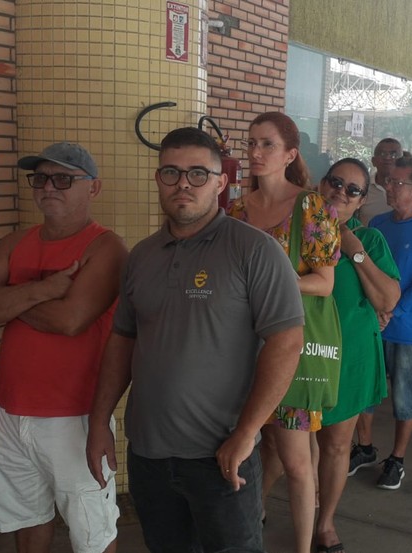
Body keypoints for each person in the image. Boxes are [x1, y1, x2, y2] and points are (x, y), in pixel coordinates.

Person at [86, 127, 305, 553]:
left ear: (221, 182)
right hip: (149, 455)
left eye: (197, 174)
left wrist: (246, 433)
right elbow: (122, 342)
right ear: (158, 179)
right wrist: (99, 422)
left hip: (222, 456)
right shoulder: (141, 257)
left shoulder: (255, 251)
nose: (183, 183)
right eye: (171, 172)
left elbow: (286, 343)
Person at [0, 142, 128, 553]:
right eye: (40, 178)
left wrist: (10, 300)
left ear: (93, 188)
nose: (48, 187)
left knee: (93, 532)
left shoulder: (105, 247)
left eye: (63, 179)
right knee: (26, 519)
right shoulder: (15, 242)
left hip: (74, 416)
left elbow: (70, 321)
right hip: (11, 412)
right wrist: (43, 291)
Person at [227, 111, 340, 553]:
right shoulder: (237, 208)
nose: (256, 152)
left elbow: (325, 283)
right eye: (252, 142)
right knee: (249, 445)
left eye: (267, 144)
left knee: (296, 462)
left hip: (290, 348)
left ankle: (302, 547)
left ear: (290, 154)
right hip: (240, 346)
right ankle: (246, 522)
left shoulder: (312, 207)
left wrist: (277, 281)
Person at [313, 158, 401, 553]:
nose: (341, 193)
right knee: (280, 445)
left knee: (335, 445)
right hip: (298, 355)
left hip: (348, 358)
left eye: (353, 190)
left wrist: (355, 250)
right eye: (336, 183)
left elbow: (386, 299)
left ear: (363, 200)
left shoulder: (371, 241)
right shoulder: (296, 233)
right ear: (321, 184)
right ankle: (257, 508)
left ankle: (325, 523)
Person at [349, 157, 412, 490]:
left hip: (407, 330)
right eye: (387, 181)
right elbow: (363, 271)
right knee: (366, 393)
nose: (388, 187)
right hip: (371, 325)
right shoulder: (376, 223)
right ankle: (364, 448)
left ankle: (397, 459)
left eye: (396, 183)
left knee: (405, 398)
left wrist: (392, 313)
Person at [358, 138, 412, 224]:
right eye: (382, 154)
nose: (388, 158)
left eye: (393, 155)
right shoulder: (363, 184)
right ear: (373, 161)